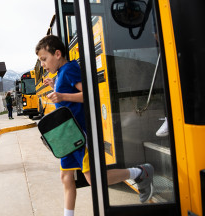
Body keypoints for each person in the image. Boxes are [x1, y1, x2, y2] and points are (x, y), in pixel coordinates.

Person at [35, 35, 154, 216]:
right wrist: (55, 87)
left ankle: (140, 172)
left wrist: (62, 96)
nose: (43, 65)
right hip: (68, 136)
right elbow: (69, 94)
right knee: (66, 177)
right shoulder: (61, 74)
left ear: (57, 54)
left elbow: (89, 95)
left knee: (94, 179)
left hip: (79, 135)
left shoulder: (69, 69)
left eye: (44, 59)